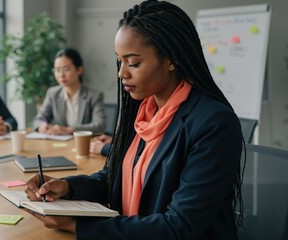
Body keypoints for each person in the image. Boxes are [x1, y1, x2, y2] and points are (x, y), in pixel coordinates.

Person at [24, 1, 244, 239]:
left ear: (171, 60)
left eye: (134, 63)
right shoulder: (142, 111)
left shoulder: (214, 123)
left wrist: (76, 226)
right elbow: (112, 177)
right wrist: (66, 186)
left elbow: (180, 227)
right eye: (120, 61)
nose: (122, 74)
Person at [33, 48, 106, 135]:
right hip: (59, 143)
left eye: (66, 69)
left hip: (85, 144)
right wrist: (42, 126)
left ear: (79, 70)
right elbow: (38, 119)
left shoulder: (94, 96)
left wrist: (69, 129)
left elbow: (100, 126)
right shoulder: (53, 93)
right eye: (57, 70)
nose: (61, 75)